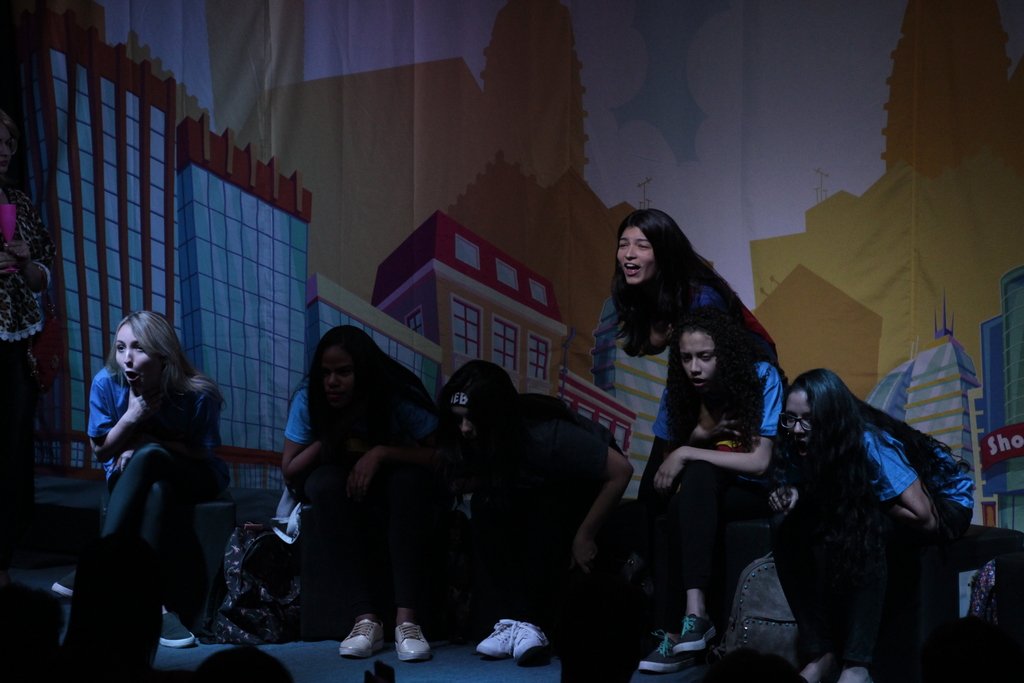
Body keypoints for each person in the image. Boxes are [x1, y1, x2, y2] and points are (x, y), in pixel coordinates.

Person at [768, 368, 974, 683]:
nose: (796, 429)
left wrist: (855, 498)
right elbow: (823, 486)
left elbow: (926, 517)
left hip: (945, 505)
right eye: (790, 419)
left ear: (830, 419)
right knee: (786, 524)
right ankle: (820, 652)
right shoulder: (799, 439)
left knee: (862, 523)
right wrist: (793, 493)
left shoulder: (869, 442)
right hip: (875, 502)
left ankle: (856, 665)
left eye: (808, 420)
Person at [436, 360, 634, 666]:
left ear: (495, 415)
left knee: (542, 506)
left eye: (472, 419)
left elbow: (621, 471)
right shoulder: (479, 437)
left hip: (586, 496)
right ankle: (513, 621)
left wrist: (585, 536)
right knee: (486, 504)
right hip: (538, 491)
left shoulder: (545, 435)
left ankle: (532, 624)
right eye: (458, 419)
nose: (464, 428)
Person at [51, 310, 228, 649]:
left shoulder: (197, 393)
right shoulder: (107, 382)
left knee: (149, 457)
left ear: (163, 356)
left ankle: (96, 566)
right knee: (156, 490)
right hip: (134, 476)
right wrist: (132, 418)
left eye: (139, 348)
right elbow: (102, 452)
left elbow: (202, 452)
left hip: (195, 475)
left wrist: (149, 443)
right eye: (121, 348)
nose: (127, 359)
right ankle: (155, 606)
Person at [635, 307, 783, 674]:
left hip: (755, 490)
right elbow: (666, 471)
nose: (694, 368)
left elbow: (760, 462)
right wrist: (699, 436)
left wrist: (688, 451)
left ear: (725, 353)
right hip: (706, 491)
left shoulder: (761, 377)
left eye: (704, 356)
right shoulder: (678, 392)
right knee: (681, 503)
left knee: (696, 473)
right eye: (686, 358)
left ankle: (688, 623)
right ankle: (684, 627)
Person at [281, 324, 440, 662]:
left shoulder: (393, 393)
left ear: (363, 372)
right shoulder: (310, 396)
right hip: (341, 480)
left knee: (408, 483)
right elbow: (291, 469)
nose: (332, 382)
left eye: (343, 372)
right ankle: (365, 619)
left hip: (393, 477)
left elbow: (441, 455)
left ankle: (406, 622)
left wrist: (381, 453)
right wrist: (333, 434)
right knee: (322, 484)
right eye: (325, 373)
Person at [0, 107, 55, 589]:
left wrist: (27, 262)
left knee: (13, 447)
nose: (3, 152)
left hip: (16, 338)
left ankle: (4, 557)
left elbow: (41, 278)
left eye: (8, 143)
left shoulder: (18, 202)